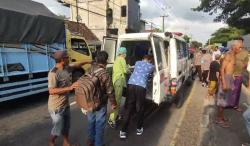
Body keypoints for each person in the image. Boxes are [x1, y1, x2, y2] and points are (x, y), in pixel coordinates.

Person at [48, 50, 91, 146]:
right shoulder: (53, 73)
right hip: (56, 106)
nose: (69, 58)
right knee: (58, 128)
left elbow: (77, 65)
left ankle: (66, 143)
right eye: (67, 57)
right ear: (63, 59)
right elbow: (51, 91)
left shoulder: (67, 68)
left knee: (66, 126)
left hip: (65, 104)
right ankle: (51, 141)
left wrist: (88, 61)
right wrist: (70, 87)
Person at [86, 51, 117, 146]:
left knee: (91, 122)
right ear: (105, 61)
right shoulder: (105, 73)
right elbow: (110, 90)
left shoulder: (89, 69)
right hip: (100, 103)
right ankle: (98, 144)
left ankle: (90, 141)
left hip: (89, 100)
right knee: (99, 125)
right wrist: (113, 103)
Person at [119, 55, 155, 139]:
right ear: (150, 60)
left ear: (143, 59)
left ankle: (123, 131)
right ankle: (139, 129)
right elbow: (151, 75)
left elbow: (134, 69)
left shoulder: (137, 62)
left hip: (131, 84)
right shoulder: (151, 66)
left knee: (128, 108)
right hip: (141, 86)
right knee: (140, 108)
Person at [108, 47, 130, 128]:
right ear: (123, 53)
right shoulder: (122, 59)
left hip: (115, 81)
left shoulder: (117, 59)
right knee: (117, 101)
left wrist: (126, 66)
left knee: (117, 99)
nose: (126, 55)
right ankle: (111, 119)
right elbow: (125, 71)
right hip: (119, 81)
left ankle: (115, 115)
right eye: (125, 53)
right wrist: (129, 69)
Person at [215, 45, 236, 128]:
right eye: (240, 47)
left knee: (225, 100)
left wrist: (232, 76)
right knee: (222, 101)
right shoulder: (228, 55)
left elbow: (230, 68)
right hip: (226, 79)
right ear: (234, 47)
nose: (241, 49)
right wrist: (224, 82)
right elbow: (222, 69)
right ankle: (220, 120)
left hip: (229, 78)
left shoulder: (233, 55)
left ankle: (221, 117)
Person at [228, 39, 249, 112]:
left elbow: (246, 64)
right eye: (238, 42)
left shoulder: (245, 53)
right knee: (229, 90)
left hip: (239, 75)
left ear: (242, 43)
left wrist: (242, 66)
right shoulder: (232, 51)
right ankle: (228, 104)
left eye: (241, 42)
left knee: (237, 91)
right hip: (230, 74)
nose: (239, 43)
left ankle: (235, 105)